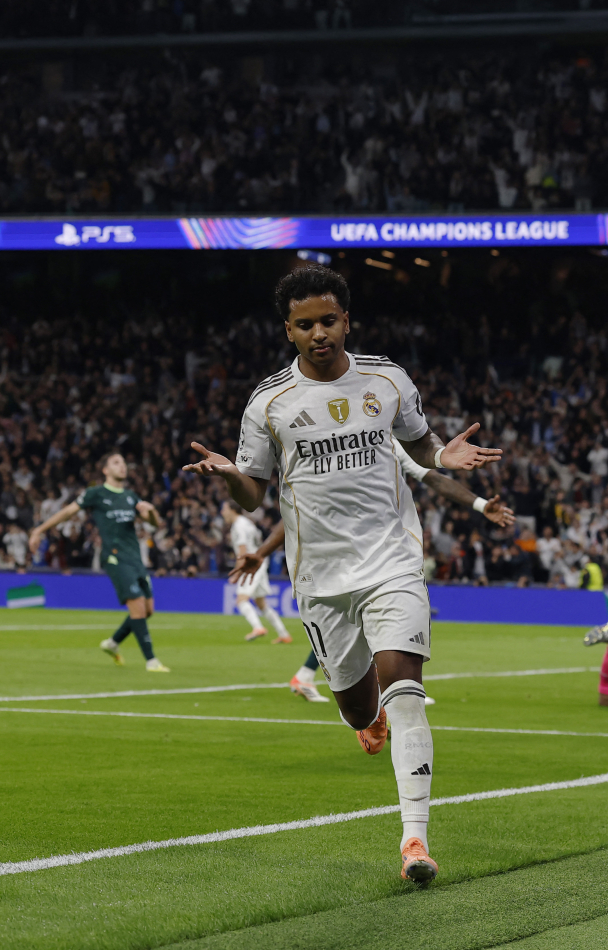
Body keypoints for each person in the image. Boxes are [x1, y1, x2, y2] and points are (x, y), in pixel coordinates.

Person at [184, 263, 501, 885]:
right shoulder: (269, 404)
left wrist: (443, 456)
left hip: (392, 560)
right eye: (305, 324)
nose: (319, 332)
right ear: (289, 331)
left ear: (346, 320)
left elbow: (418, 444)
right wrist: (230, 476)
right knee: (358, 708)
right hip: (320, 578)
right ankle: (366, 721)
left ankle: (415, 840)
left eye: (328, 320)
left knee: (404, 689)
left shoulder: (386, 379)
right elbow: (255, 495)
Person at [231, 436, 516, 705]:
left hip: (385, 554)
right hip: (341, 557)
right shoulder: (333, 452)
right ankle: (380, 695)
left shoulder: (386, 441)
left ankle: (372, 690)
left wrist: (479, 504)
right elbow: (301, 509)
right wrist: (261, 552)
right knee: (356, 631)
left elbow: (434, 478)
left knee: (374, 627)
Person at [30, 452, 170, 673]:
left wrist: (151, 512)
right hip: (115, 557)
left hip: (135, 557)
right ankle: (151, 661)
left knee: (148, 610)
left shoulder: (131, 496)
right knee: (137, 606)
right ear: (105, 470)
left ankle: (112, 644)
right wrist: (39, 530)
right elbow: (68, 511)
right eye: (116, 463)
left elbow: (155, 523)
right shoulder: (96, 493)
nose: (122, 466)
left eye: (124, 463)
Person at [221, 501, 292, 643]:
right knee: (261, 603)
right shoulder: (248, 523)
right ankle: (284, 635)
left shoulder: (239, 526)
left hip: (251, 565)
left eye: (224, 509)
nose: (222, 512)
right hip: (260, 561)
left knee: (241, 600)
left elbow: (242, 550)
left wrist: (238, 571)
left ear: (233, 510)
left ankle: (258, 627)